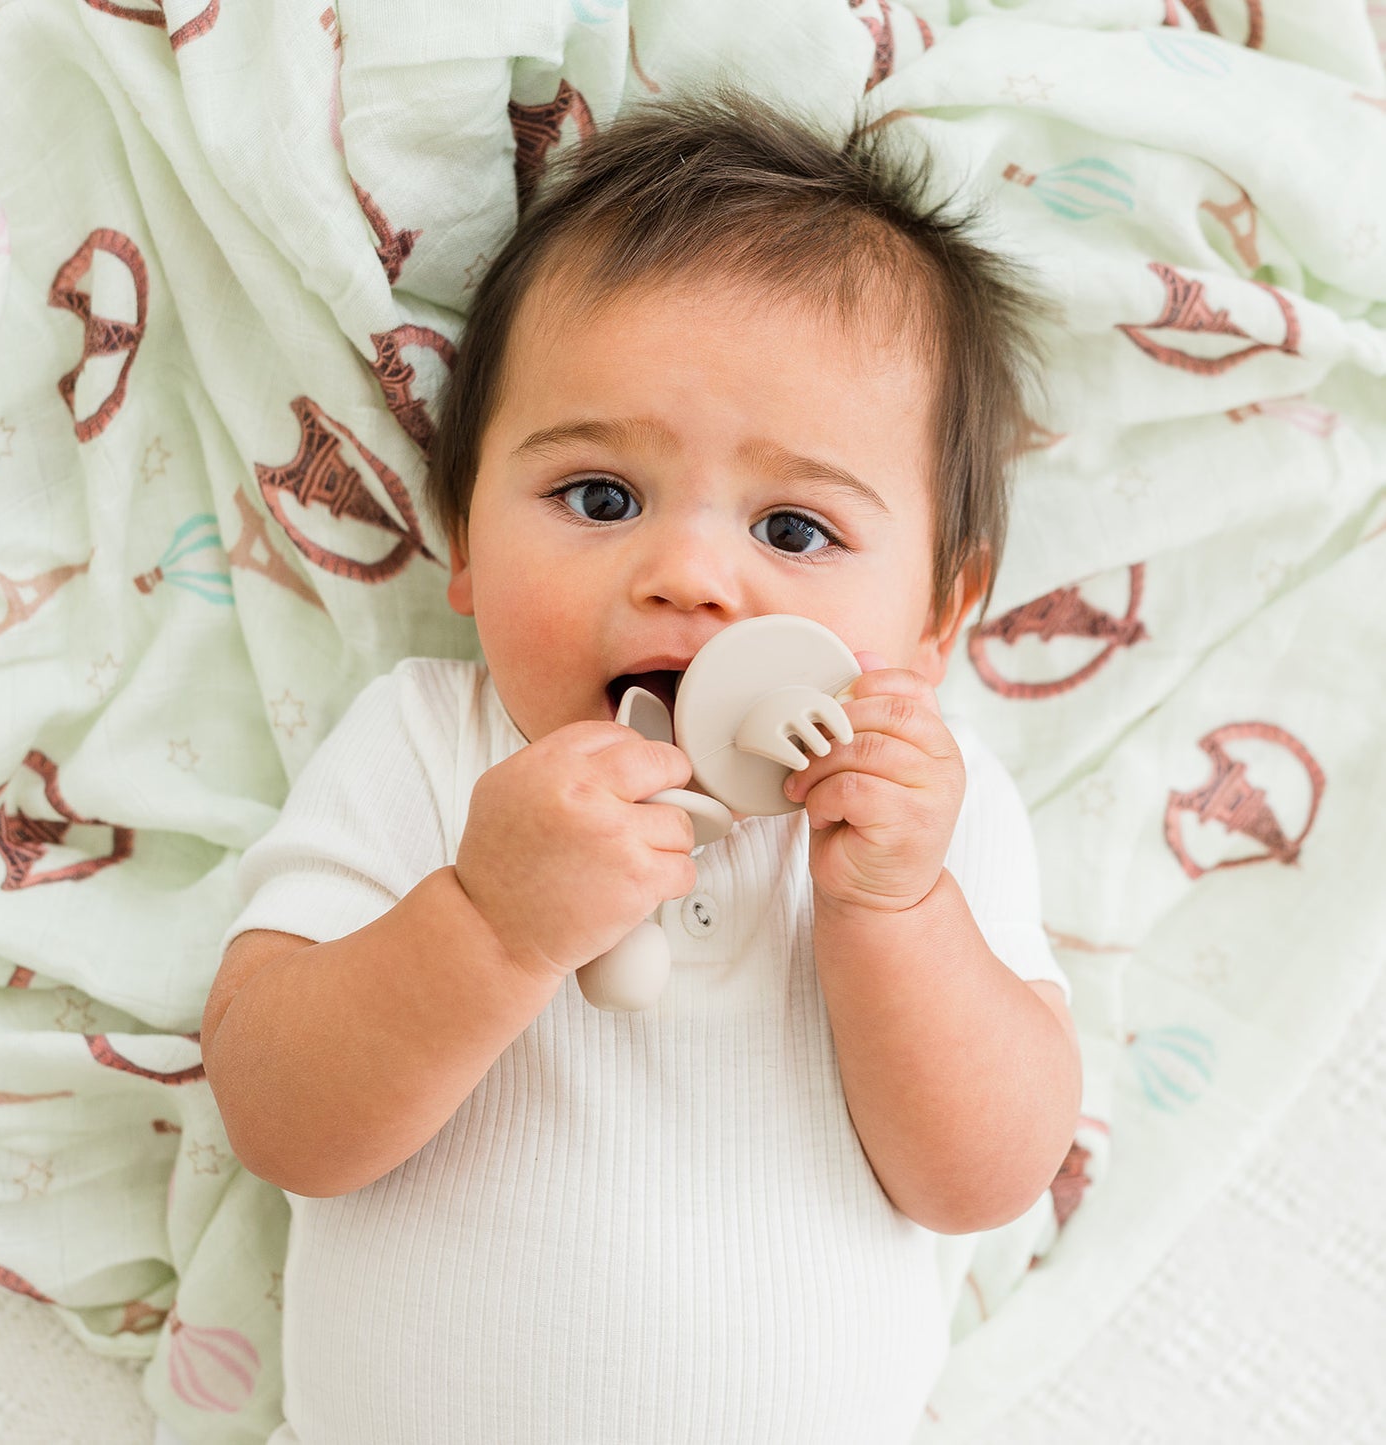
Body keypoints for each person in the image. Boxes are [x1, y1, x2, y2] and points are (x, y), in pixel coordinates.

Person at [201, 89, 1082, 1444]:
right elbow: (278, 1113)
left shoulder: (922, 809)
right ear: (466, 542)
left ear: (937, 614)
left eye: (793, 527)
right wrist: (487, 923)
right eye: (599, 498)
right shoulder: (430, 745)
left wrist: (895, 915)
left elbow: (984, 1177)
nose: (686, 574)